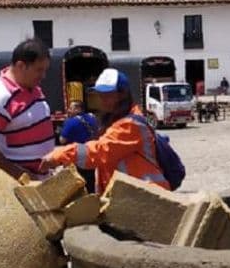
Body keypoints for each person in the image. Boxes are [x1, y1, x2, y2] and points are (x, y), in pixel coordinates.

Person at [41, 68, 170, 193]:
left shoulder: (130, 125)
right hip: (131, 196)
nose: (102, 100)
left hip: (145, 198)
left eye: (107, 95)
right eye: (100, 95)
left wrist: (59, 155)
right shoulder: (116, 119)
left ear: (122, 95)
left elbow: (100, 151)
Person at [0, 39, 53, 179]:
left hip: (42, 180)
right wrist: (24, 177)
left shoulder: (32, 87)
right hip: (19, 186)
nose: (43, 76)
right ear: (21, 66)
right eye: (39, 70)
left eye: (45, 70)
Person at [59, 100, 99, 193]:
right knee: (90, 182)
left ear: (78, 109)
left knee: (76, 184)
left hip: (76, 156)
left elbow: (62, 140)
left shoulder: (71, 122)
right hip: (91, 154)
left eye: (71, 108)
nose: (68, 110)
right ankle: (91, 199)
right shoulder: (92, 118)